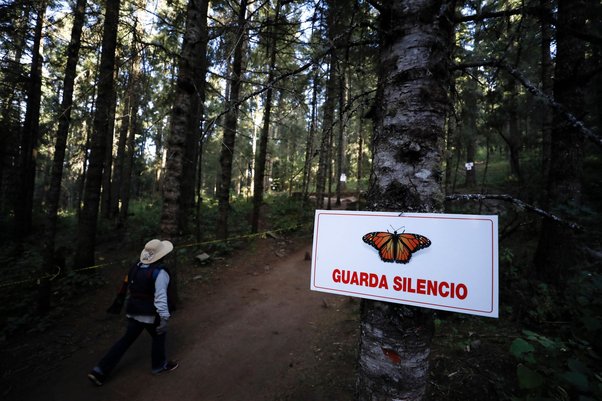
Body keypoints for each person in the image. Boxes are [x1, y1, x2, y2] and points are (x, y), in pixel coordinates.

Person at [88, 239, 178, 386]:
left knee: (125, 340)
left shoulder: (135, 267)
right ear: (163, 255)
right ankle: (159, 366)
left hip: (134, 311)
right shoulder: (159, 273)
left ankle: (99, 370)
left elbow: (129, 289)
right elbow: (161, 298)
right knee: (159, 336)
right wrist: (164, 319)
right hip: (150, 314)